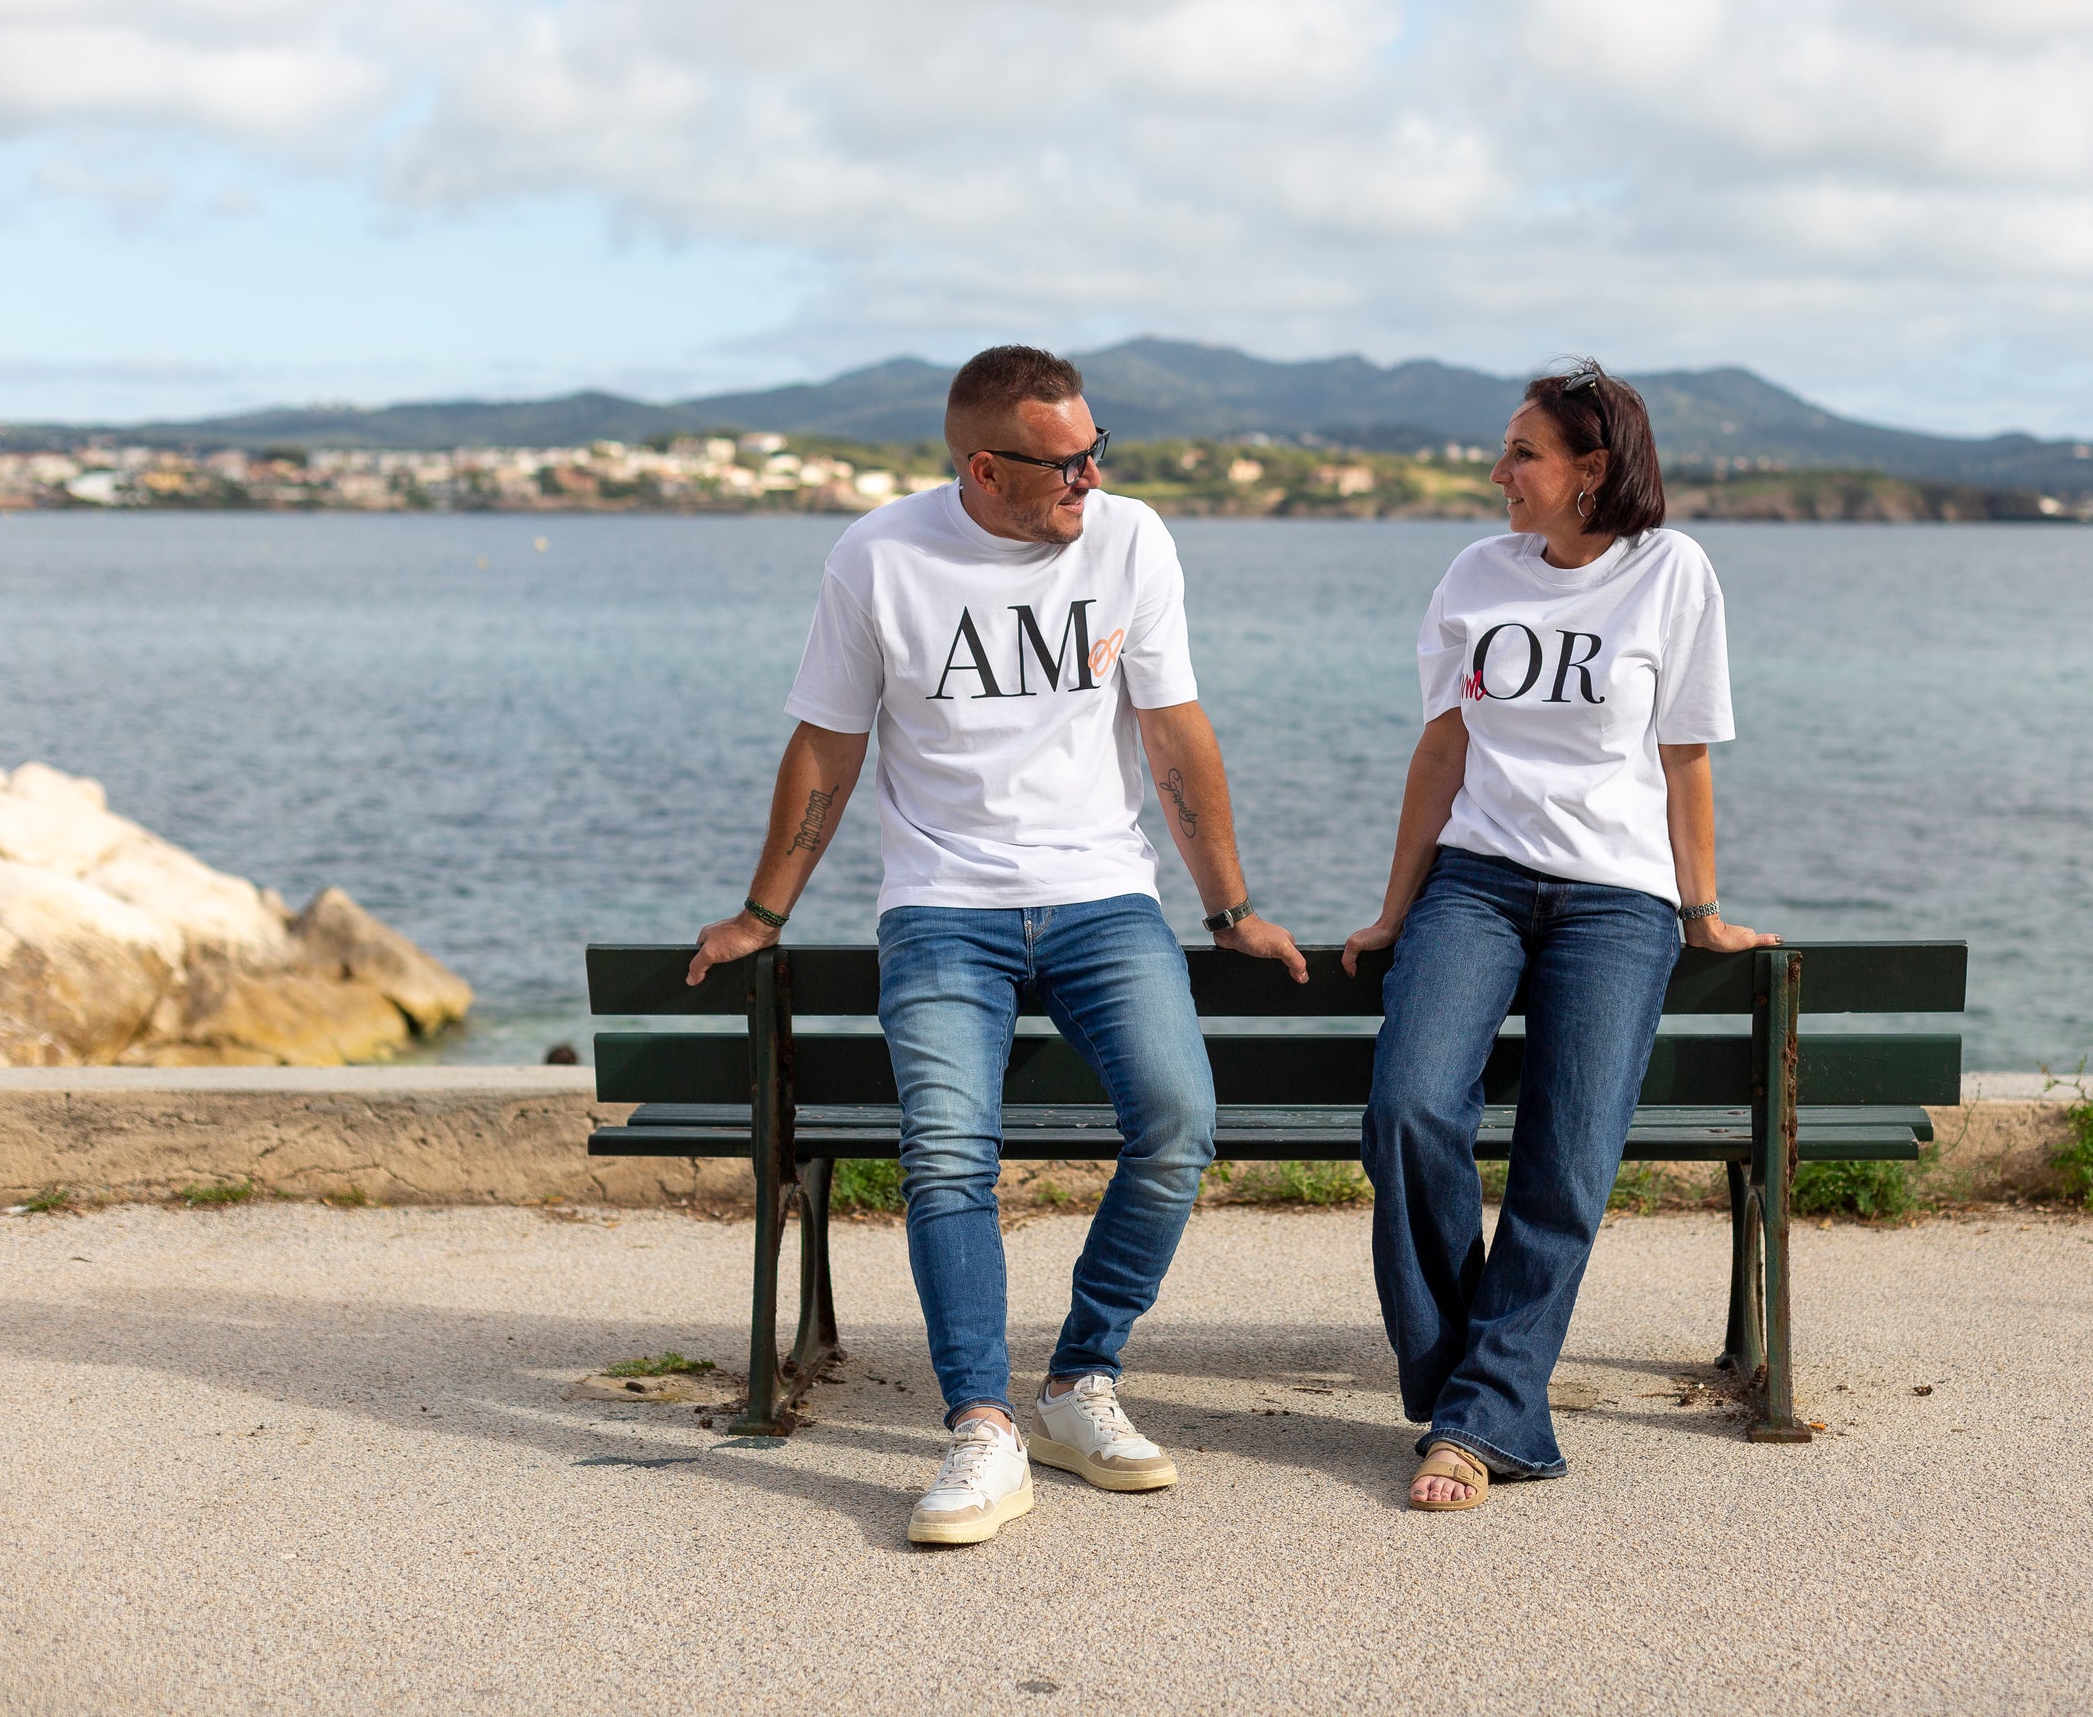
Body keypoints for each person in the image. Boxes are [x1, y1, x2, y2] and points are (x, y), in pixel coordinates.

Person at [685, 345, 1305, 1547]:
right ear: (983, 468)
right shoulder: (879, 557)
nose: (1090, 478)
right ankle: (981, 1424)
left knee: (1178, 1120)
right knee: (946, 1151)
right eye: (1063, 463)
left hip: (1102, 898)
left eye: (1095, 450)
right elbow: (828, 741)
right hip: (941, 908)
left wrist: (1230, 909)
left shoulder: (1131, 540)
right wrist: (762, 913)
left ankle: (1080, 1382)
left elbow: (1174, 732)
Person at [1341, 360, 1778, 1512]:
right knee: (1409, 1108)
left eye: (1522, 453)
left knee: (1567, 1155)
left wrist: (1700, 910)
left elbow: (1685, 756)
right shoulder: (1474, 574)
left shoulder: (1671, 572)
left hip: (1616, 901)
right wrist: (1396, 905)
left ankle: (1478, 1417)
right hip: (1476, 884)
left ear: (1592, 470)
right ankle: (1471, 1388)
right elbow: (1443, 748)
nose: (1500, 472)